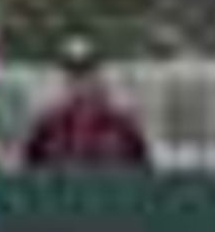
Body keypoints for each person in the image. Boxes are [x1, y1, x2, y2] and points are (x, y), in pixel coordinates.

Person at [20, 34, 154, 169]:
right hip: (64, 168)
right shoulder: (51, 98)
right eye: (73, 68)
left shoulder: (114, 97)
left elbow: (136, 142)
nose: (80, 75)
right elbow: (34, 145)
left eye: (85, 67)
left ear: (95, 67)